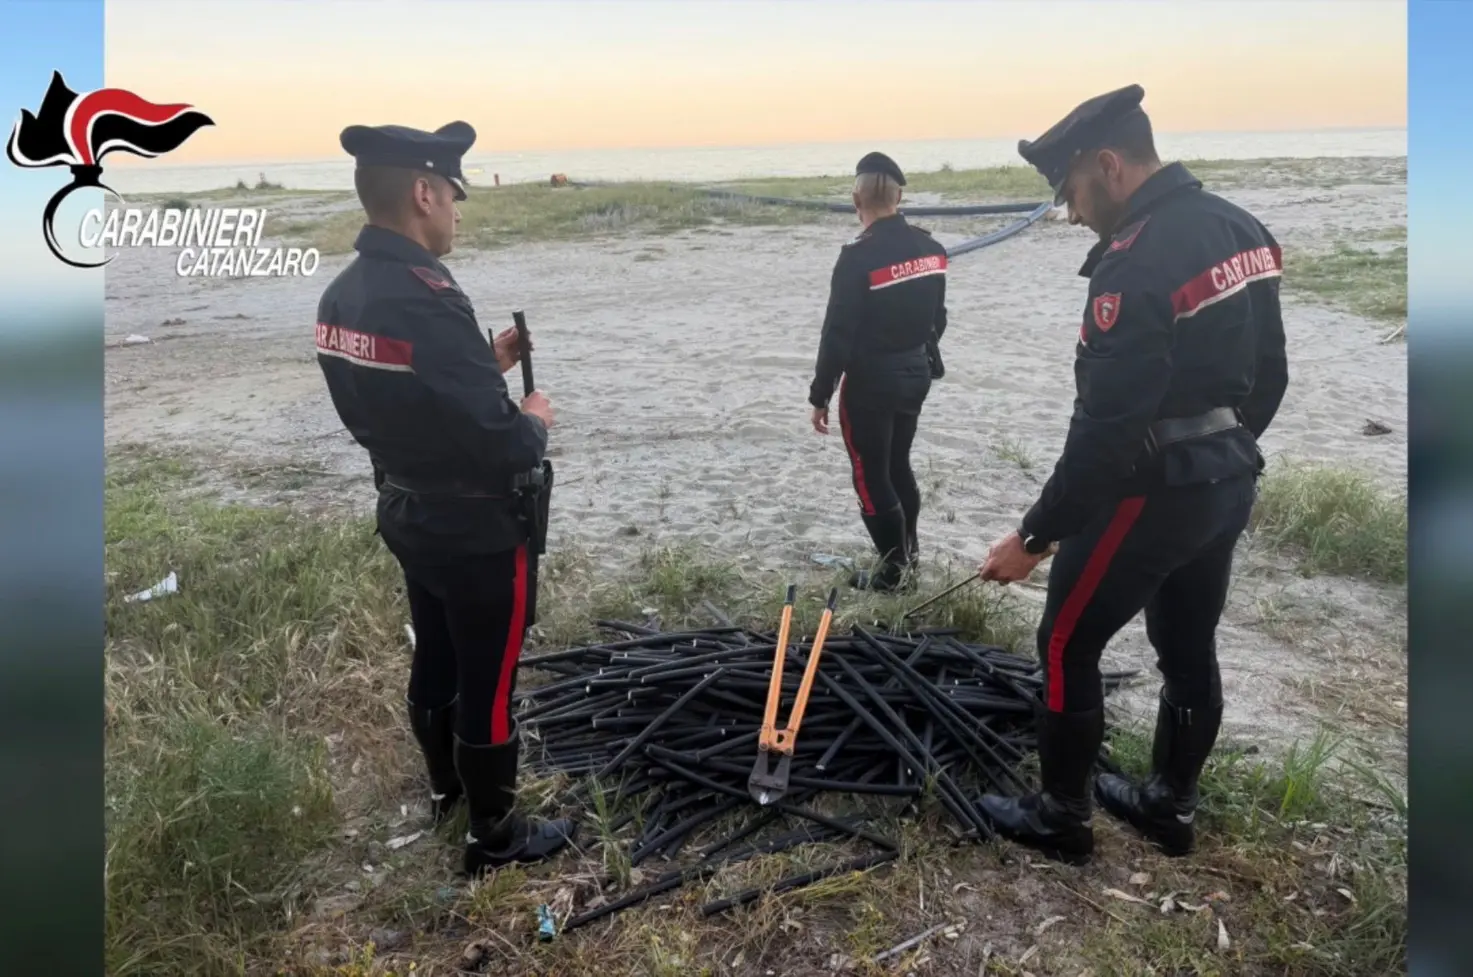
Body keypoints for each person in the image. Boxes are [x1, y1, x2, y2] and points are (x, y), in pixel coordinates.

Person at [974, 84, 1289, 864]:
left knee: (1062, 644)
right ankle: (1167, 805)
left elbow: (1106, 430)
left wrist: (1034, 536)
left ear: (1107, 165)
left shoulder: (1136, 258)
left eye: (1071, 193)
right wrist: (1223, 448)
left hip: (1151, 489)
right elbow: (1271, 372)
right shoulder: (1240, 226)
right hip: (1226, 480)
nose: (1072, 213)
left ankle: (1059, 816)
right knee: (1186, 645)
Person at [314, 120, 577, 876]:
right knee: (489, 677)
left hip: (406, 508)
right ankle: (495, 833)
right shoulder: (427, 297)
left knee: (435, 656)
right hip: (476, 529)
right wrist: (532, 419)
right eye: (453, 195)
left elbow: (406, 397)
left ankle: (445, 790)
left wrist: (481, 363)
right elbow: (500, 441)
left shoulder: (342, 295)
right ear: (423, 192)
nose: (458, 210)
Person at [807, 151, 950, 592]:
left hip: (872, 381)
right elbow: (938, 319)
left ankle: (892, 574)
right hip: (915, 372)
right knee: (898, 465)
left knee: (871, 475)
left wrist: (820, 395)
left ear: (856, 200)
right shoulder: (932, 249)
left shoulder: (856, 257)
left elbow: (837, 333)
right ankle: (909, 554)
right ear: (899, 196)